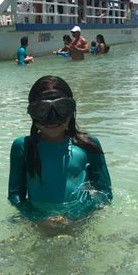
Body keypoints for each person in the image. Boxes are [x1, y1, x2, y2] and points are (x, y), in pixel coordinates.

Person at [8, 75, 112, 224]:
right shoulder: (22, 146)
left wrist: (75, 215)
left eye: (61, 108)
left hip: (79, 222)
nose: (52, 119)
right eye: (42, 110)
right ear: (32, 113)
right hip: (39, 225)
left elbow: (105, 193)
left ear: (71, 110)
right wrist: (38, 218)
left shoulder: (88, 145)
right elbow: (15, 196)